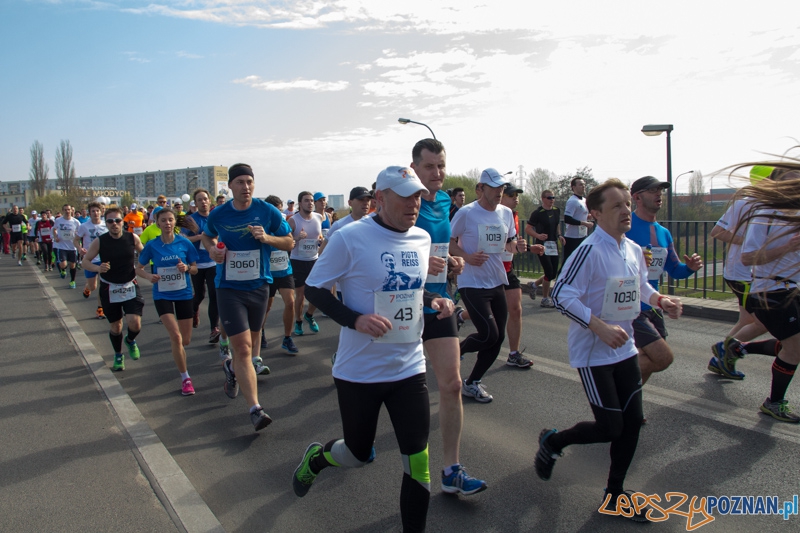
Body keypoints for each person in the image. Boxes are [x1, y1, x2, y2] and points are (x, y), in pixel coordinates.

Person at [293, 165, 454, 532]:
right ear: (380, 199)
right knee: (357, 454)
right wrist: (356, 320)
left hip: (408, 366)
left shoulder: (421, 238)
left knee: (418, 463)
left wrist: (433, 300)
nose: (415, 203)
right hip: (359, 370)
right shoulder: (350, 237)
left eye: (417, 195)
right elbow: (316, 288)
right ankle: (317, 460)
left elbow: (408, 289)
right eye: (405, 196)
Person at [536, 179, 682, 520]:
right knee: (610, 428)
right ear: (596, 214)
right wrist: (598, 326)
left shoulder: (631, 249)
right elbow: (560, 295)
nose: (626, 211)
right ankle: (554, 443)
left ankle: (615, 495)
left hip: (625, 349)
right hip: (593, 353)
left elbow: (640, 285)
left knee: (631, 425)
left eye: (627, 204)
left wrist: (661, 300)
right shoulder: (589, 250)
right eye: (617, 206)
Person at [410, 139, 487, 495]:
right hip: (401, 303)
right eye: (430, 167)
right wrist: (419, 263)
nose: (438, 173)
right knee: (390, 389)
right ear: (414, 168)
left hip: (439, 302)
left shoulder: (444, 201)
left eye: (441, 165)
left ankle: (451, 469)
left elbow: (445, 248)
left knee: (452, 384)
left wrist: (453, 263)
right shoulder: (402, 199)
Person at [202, 163, 293, 431]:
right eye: (240, 182)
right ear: (230, 186)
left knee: (253, 341)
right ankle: (255, 408)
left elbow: (288, 242)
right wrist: (211, 251)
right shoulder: (219, 214)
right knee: (242, 348)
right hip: (228, 288)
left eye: (250, 181)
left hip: (259, 286)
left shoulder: (267, 211)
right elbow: (207, 238)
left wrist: (267, 238)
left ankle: (231, 369)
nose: (246, 186)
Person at [733, 167, 800, 422]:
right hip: (769, 290)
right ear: (775, 187)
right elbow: (748, 257)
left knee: (794, 347)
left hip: (793, 289)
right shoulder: (764, 215)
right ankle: (774, 403)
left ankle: (741, 347)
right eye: (790, 184)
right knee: (794, 349)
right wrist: (787, 246)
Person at [450, 168, 519, 402]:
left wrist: (522, 247)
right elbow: (448, 241)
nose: (500, 191)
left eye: (502, 187)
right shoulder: (467, 213)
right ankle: (456, 350)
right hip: (471, 282)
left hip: (496, 280)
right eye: (495, 187)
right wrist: (466, 257)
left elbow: (509, 244)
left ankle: (472, 382)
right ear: (481, 188)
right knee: (489, 334)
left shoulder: (507, 213)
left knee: (498, 339)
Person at [625, 176, 703, 385]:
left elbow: (674, 269)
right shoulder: (625, 227)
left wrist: (690, 268)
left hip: (654, 304)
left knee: (652, 359)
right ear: (637, 197)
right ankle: (613, 379)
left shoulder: (664, 233)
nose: (659, 194)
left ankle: (629, 404)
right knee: (660, 356)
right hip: (630, 304)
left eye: (660, 190)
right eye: (653, 190)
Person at [708, 166, 783, 379]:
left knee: (749, 320)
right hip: (743, 272)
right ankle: (723, 352)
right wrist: (750, 242)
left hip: (752, 273)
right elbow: (717, 231)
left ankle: (722, 355)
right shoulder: (746, 203)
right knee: (755, 321)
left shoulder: (771, 205)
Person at [137, 207, 200, 396]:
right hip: (162, 294)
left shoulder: (184, 243)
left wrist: (187, 267)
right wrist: (149, 276)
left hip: (183, 293)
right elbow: (138, 268)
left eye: (170, 220)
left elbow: (195, 268)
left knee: (186, 340)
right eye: (163, 220)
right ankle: (186, 378)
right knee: (176, 337)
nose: (167, 223)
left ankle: (179, 350)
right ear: (157, 223)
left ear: (175, 222)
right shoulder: (152, 245)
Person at [81, 206, 145, 372]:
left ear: (122, 221)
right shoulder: (100, 241)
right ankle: (118, 355)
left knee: (135, 323)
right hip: (109, 287)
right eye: (110, 221)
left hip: (130, 284)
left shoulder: (132, 237)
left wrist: (145, 267)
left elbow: (145, 255)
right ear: (106, 222)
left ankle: (130, 340)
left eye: (117, 220)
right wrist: (97, 268)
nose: (114, 224)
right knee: (116, 327)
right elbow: (85, 261)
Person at [500, 182, 543, 366]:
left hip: (508, 267)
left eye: (517, 195)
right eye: (511, 195)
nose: (515, 198)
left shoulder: (513, 215)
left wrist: (529, 247)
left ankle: (514, 354)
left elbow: (513, 242)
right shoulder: (489, 214)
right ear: (500, 195)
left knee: (515, 310)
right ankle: (461, 317)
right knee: (492, 313)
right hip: (490, 269)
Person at [181, 188, 221, 343]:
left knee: (214, 295)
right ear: (195, 203)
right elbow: (182, 240)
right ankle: (194, 308)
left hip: (213, 262)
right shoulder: (189, 219)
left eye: (205, 199)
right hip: (196, 263)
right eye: (199, 200)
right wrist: (200, 237)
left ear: (209, 201)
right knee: (199, 294)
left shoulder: (216, 217)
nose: (203, 202)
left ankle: (214, 329)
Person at [262, 195, 299, 354]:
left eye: (280, 210)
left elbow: (290, 241)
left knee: (290, 302)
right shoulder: (262, 225)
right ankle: (260, 331)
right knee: (266, 307)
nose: (279, 214)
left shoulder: (283, 224)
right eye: (276, 211)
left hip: (285, 270)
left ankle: (287, 338)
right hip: (268, 273)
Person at [289, 191, 324, 336]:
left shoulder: (319, 217)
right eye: (306, 200)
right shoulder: (293, 220)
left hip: (314, 260)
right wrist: (297, 237)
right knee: (301, 295)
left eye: (311, 200)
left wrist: (321, 239)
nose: (310, 203)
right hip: (298, 261)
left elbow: (319, 234)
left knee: (319, 293)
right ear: (300, 203)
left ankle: (309, 315)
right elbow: (287, 242)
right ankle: (298, 321)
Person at [526, 189, 565, 307]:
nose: (552, 200)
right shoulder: (538, 213)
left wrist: (559, 235)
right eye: (549, 198)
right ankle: (544, 299)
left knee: (553, 273)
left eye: (553, 197)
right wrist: (538, 235)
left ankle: (534, 285)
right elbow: (528, 229)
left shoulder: (556, 211)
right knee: (548, 272)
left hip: (553, 245)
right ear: (543, 199)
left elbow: (557, 224)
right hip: (541, 246)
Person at [75, 202, 108, 319]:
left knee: (103, 285)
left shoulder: (106, 225)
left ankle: (100, 309)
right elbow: (76, 239)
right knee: (93, 286)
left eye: (97, 211)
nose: (95, 213)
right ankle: (87, 288)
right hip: (90, 260)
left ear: (101, 212)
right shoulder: (84, 226)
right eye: (93, 211)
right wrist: (79, 248)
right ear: (89, 213)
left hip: (103, 259)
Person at [561, 177, 593, 270]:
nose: (583, 186)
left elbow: (578, 215)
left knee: (581, 260)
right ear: (573, 187)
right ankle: (560, 280)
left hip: (582, 235)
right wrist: (584, 223)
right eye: (580, 184)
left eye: (584, 184)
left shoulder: (584, 200)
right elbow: (567, 219)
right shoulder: (572, 201)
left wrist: (587, 217)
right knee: (568, 261)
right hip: (572, 237)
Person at [53, 204, 82, 288]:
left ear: (71, 210)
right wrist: (55, 237)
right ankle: (63, 270)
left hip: (72, 247)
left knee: (73, 265)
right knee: (63, 264)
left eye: (68, 209)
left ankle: (72, 281)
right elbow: (54, 229)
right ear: (63, 211)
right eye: (65, 210)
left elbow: (80, 232)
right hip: (62, 246)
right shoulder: (58, 220)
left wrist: (78, 239)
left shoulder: (75, 222)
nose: (67, 211)